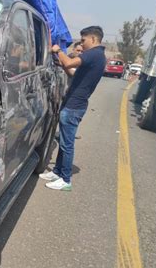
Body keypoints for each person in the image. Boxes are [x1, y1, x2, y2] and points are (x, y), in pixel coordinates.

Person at [39, 26, 106, 191]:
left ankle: (66, 179)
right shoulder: (98, 56)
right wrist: (62, 65)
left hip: (74, 106)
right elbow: (73, 73)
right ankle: (57, 172)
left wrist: (58, 50)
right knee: (63, 141)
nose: (82, 45)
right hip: (74, 104)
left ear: (93, 39)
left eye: (83, 40)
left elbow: (69, 61)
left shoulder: (94, 54)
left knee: (67, 144)